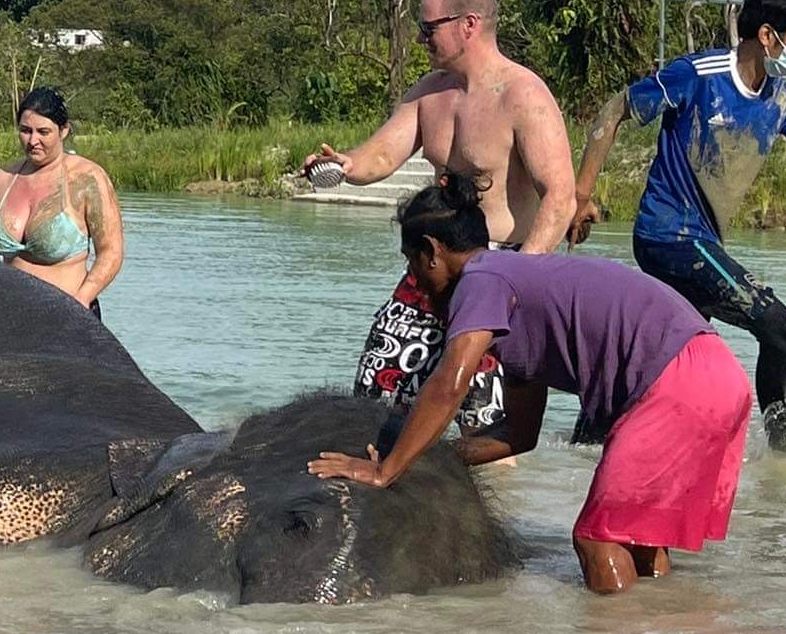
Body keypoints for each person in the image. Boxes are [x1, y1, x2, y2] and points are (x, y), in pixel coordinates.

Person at [308, 174, 752, 595]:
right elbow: (517, 437)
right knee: (638, 539)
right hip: (718, 376)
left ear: (431, 252)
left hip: (674, 382)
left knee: (597, 538)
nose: (417, 283)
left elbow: (451, 382)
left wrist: (386, 471)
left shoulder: (482, 280)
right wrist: (427, 459)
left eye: (411, 264)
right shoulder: (518, 293)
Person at [303, 0, 575, 434]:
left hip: (499, 268)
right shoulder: (430, 91)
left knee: (486, 421)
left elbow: (561, 200)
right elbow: (384, 154)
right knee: (374, 392)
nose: (421, 37)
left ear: (468, 24)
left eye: (429, 28)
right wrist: (344, 165)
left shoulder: (524, 95)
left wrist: (518, 281)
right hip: (431, 267)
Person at [569, 0, 786, 451]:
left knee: (656, 352)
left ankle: (584, 444)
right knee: (779, 327)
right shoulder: (700, 75)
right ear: (768, 36)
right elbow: (615, 109)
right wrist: (580, 195)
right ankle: (785, 457)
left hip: (706, 243)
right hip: (668, 235)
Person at [0, 86, 123, 315]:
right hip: (8, 314)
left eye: (43, 132)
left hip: (69, 313)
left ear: (63, 131)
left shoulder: (88, 179)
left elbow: (111, 252)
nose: (33, 141)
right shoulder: (2, 179)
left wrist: (81, 300)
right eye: (25, 130)